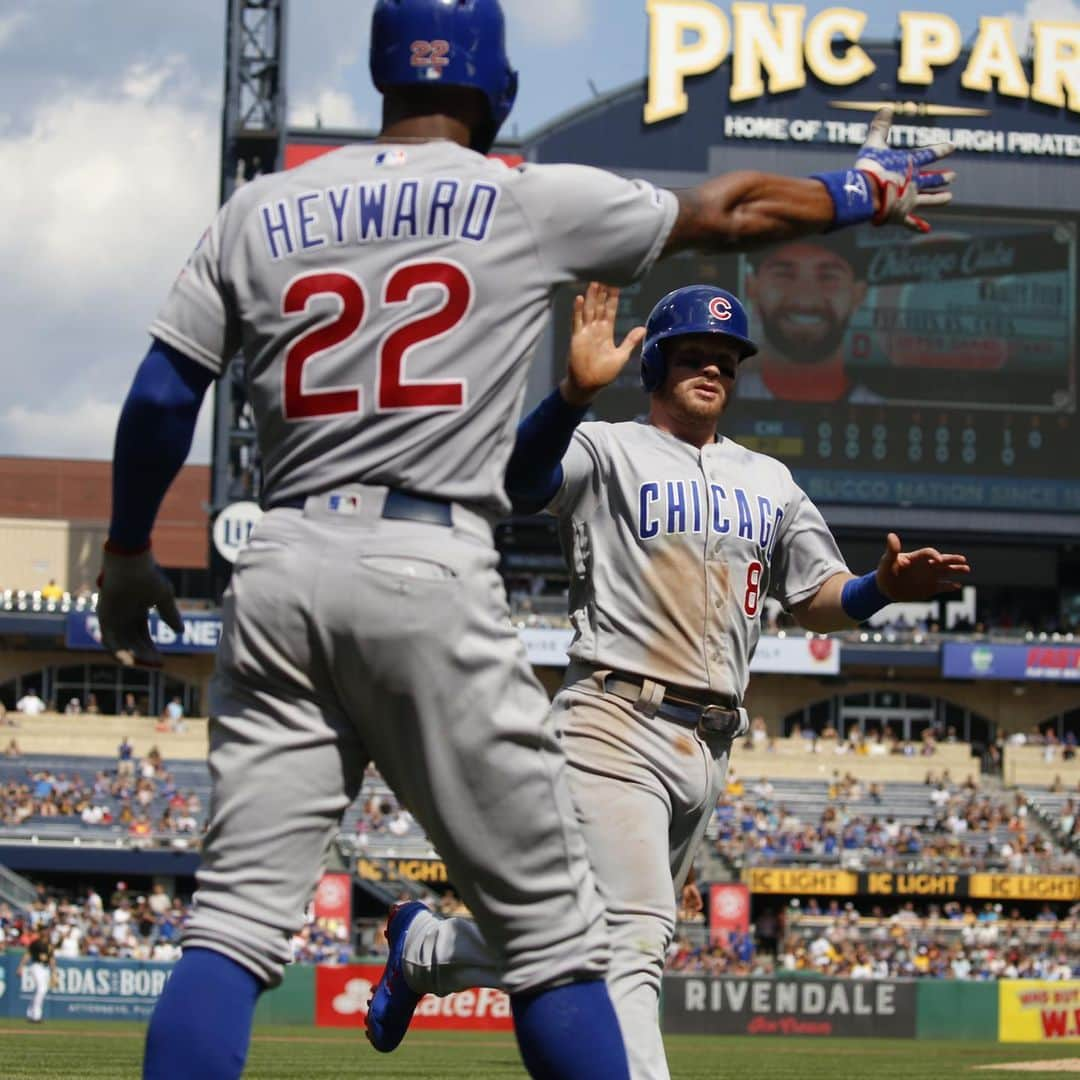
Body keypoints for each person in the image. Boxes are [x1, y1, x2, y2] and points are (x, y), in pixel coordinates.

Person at [93, 1, 954, 1076]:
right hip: (436, 563)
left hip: (283, 559)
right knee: (566, 946)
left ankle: (425, 952)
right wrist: (857, 191)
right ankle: (448, 957)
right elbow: (729, 214)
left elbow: (162, 392)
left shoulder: (261, 207)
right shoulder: (523, 199)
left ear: (381, 73)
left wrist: (128, 550)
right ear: (497, 89)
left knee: (227, 933)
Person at [370, 282, 969, 1079]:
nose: (713, 369)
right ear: (654, 364)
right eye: (693, 355)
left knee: (583, 933)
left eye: (726, 360)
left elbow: (818, 597)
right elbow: (518, 482)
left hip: (709, 743)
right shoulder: (607, 449)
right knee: (634, 945)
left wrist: (882, 588)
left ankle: (428, 951)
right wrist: (572, 394)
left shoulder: (770, 480)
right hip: (613, 716)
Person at [738, 234, 879, 403]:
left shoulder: (888, 415)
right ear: (751, 288)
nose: (805, 300)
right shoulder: (720, 404)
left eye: (828, 277)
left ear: (858, 294)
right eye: (784, 274)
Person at [17, 928, 57, 1023]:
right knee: (41, 989)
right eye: (43, 930)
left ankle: (30, 1013)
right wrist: (20, 967)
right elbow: (27, 955)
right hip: (36, 966)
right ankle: (36, 1016)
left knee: (41, 991)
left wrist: (54, 972)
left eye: (46, 930)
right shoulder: (36, 943)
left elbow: (52, 959)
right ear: (40, 932)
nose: (45, 932)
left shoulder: (49, 945)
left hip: (46, 968)